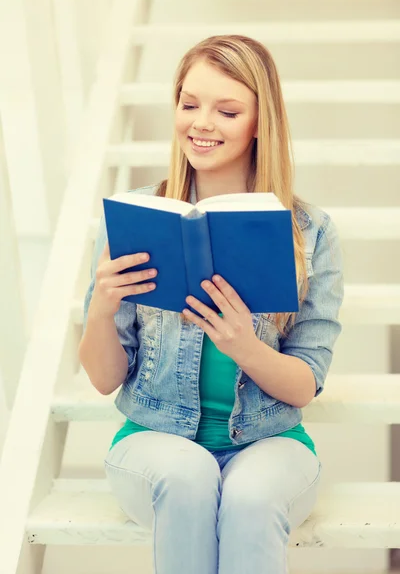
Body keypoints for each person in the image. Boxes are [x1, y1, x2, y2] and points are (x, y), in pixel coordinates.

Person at [78, 35, 344, 574]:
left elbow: (304, 385)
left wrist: (245, 346)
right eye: (189, 103)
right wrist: (101, 309)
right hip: (154, 440)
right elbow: (105, 379)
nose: (201, 123)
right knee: (189, 477)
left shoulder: (309, 233)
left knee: (249, 498)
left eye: (227, 110)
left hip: (271, 439)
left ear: (259, 123)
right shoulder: (142, 217)